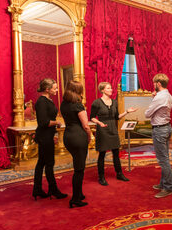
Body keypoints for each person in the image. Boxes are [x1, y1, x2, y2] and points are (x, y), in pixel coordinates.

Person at [90, 82, 137, 186]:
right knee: (102, 154)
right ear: (102, 90)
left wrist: (127, 112)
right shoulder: (96, 103)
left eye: (111, 88)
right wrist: (98, 122)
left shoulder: (114, 102)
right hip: (102, 129)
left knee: (116, 153)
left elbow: (117, 117)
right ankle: (101, 177)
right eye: (108, 88)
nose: (111, 89)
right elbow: (92, 117)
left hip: (113, 129)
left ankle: (119, 173)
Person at [32, 78, 67, 200]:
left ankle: (37, 189)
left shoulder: (48, 100)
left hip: (48, 135)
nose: (57, 90)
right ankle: (53, 189)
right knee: (49, 163)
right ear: (47, 89)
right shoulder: (42, 102)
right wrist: (56, 122)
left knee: (42, 162)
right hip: (44, 136)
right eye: (55, 88)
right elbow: (43, 122)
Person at [60, 80, 92, 208]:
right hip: (78, 137)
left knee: (77, 165)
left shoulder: (64, 104)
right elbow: (85, 125)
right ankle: (75, 199)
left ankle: (79, 193)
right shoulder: (78, 105)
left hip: (68, 136)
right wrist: (89, 136)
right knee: (79, 170)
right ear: (78, 91)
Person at [145, 73, 172, 198]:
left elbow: (147, 113)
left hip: (159, 130)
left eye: (154, 83)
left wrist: (153, 98)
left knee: (163, 160)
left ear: (158, 84)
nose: (153, 85)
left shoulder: (159, 97)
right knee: (165, 158)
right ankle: (163, 184)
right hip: (167, 128)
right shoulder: (168, 95)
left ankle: (168, 187)